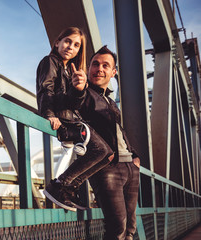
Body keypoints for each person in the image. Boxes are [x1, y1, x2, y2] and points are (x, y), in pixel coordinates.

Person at [36, 27, 115, 211]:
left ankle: (67, 188)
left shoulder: (69, 70)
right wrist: (49, 114)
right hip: (65, 121)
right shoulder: (50, 62)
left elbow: (73, 102)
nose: (70, 47)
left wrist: (78, 88)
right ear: (57, 42)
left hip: (73, 118)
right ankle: (60, 185)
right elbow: (45, 89)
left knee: (108, 154)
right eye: (67, 41)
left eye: (76, 45)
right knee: (101, 150)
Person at [80, 46, 141, 240]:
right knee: (117, 228)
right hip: (106, 167)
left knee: (130, 228)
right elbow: (70, 103)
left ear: (113, 73)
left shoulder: (110, 101)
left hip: (129, 166)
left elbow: (118, 131)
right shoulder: (84, 95)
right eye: (95, 64)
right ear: (88, 68)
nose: (99, 69)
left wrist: (134, 155)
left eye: (106, 65)